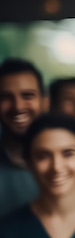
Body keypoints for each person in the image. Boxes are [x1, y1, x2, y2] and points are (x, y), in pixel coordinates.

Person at [0, 57, 47, 218]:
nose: (18, 106)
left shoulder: (69, 161)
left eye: (27, 96)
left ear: (44, 102)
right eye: (6, 97)